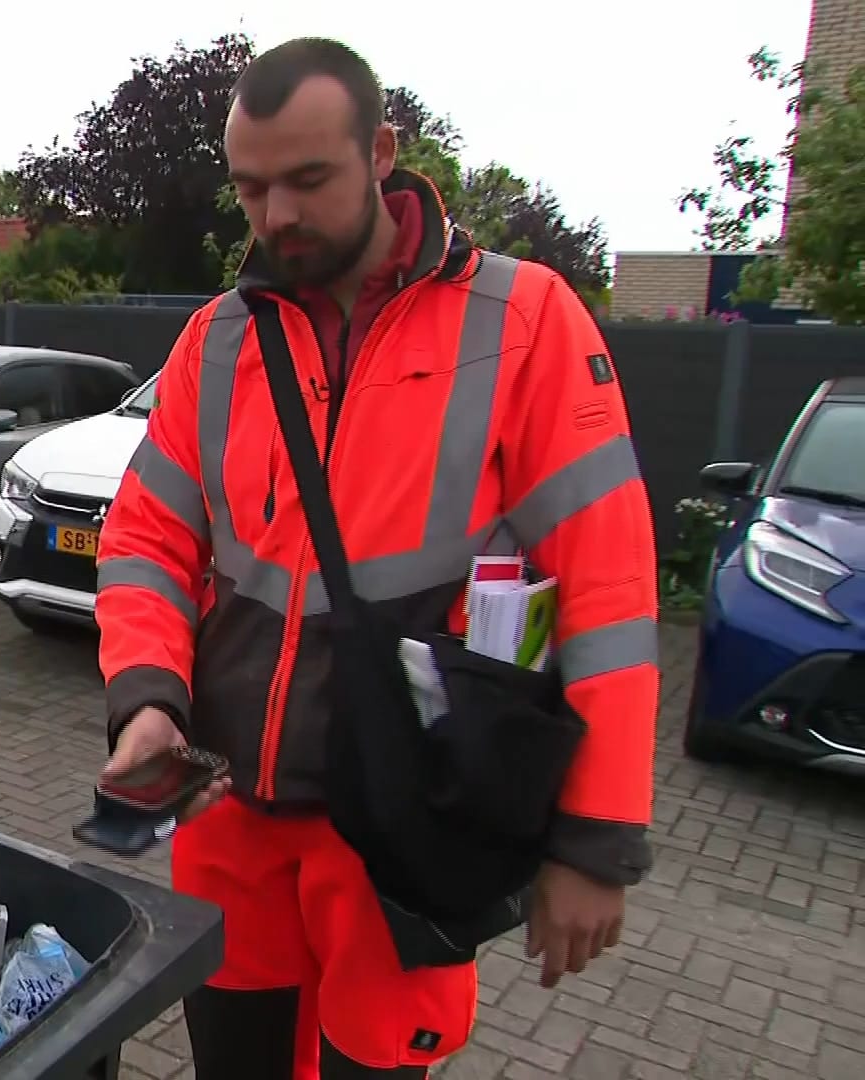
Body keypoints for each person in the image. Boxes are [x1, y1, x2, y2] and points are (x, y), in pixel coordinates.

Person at [93, 38, 658, 1080]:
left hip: (403, 832)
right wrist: (146, 698)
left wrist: (594, 840)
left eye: (309, 180)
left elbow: (610, 595)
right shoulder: (218, 341)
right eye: (252, 187)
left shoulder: (522, 323)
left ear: (384, 152)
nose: (277, 217)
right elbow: (146, 538)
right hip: (229, 819)